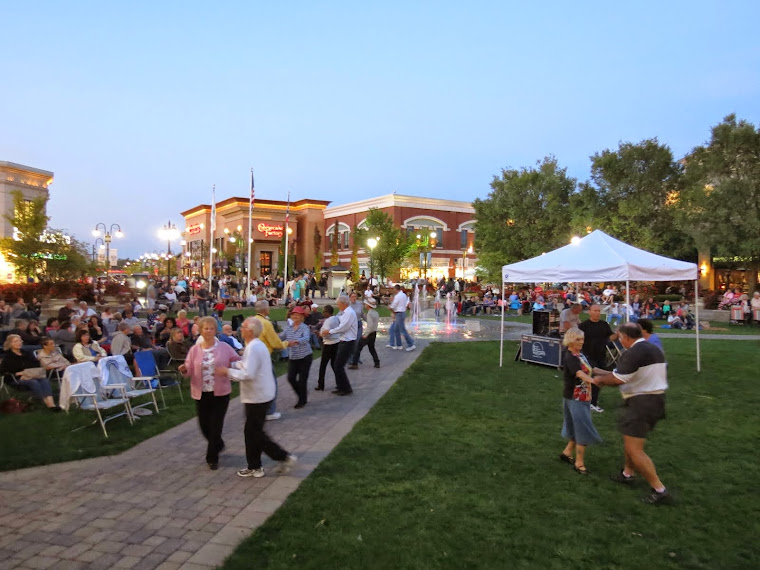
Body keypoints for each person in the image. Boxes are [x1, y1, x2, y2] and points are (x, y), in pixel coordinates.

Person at [588, 323, 672, 505]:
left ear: (626, 337)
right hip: (655, 400)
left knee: (635, 450)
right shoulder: (651, 348)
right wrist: (597, 371)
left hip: (641, 404)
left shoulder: (633, 352)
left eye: (619, 337)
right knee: (629, 440)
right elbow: (625, 373)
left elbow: (618, 379)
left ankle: (659, 489)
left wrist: (598, 380)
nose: (619, 340)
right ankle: (627, 473)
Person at [218, 317, 296, 478]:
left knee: (255, 433)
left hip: (258, 396)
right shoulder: (255, 345)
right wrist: (232, 364)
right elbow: (247, 365)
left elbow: (248, 373)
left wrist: (227, 372)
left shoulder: (254, 347)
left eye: (243, 326)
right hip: (259, 394)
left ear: (250, 331)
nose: (240, 329)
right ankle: (255, 466)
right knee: (252, 432)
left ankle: (283, 457)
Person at [178, 316, 241, 470]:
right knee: (203, 425)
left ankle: (212, 457)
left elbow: (237, 360)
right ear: (200, 330)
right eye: (205, 328)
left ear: (216, 330)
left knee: (215, 426)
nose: (208, 331)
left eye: (211, 328)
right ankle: (218, 444)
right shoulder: (194, 349)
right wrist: (184, 370)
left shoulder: (224, 347)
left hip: (220, 393)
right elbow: (189, 367)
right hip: (201, 393)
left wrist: (230, 370)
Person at [559, 328, 601, 474]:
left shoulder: (580, 355)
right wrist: (594, 381)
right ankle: (579, 462)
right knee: (582, 428)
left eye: (582, 339)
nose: (581, 342)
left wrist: (610, 374)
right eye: (578, 339)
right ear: (570, 340)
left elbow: (590, 369)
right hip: (574, 397)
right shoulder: (570, 356)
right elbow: (579, 373)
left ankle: (567, 452)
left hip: (583, 396)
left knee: (577, 426)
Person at [0, 334, 60, 410]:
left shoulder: (26, 353)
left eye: (20, 341)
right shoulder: (7, 357)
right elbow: (4, 371)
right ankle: (47, 404)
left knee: (44, 381)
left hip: (31, 375)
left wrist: (28, 371)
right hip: (16, 379)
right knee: (33, 382)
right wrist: (17, 373)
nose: (19, 343)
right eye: (16, 341)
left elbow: (36, 364)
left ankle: (52, 404)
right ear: (10, 344)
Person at [578, 305, 618, 414]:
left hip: (601, 356)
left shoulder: (604, 325)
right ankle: (592, 403)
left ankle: (592, 400)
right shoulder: (583, 326)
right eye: (595, 311)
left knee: (600, 379)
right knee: (592, 379)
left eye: (599, 311)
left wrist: (618, 334)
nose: (597, 313)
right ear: (590, 312)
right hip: (588, 356)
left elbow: (610, 338)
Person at [254, 300, 289, 420]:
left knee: (258, 384)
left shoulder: (251, 321)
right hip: (264, 356)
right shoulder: (266, 323)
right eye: (268, 307)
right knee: (270, 384)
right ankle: (269, 411)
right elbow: (275, 343)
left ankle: (258, 410)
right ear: (265, 310)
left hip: (253, 356)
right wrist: (286, 343)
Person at [321, 294, 356, 396]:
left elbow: (343, 327)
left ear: (343, 303)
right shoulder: (345, 313)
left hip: (348, 342)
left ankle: (346, 388)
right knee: (337, 365)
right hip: (343, 341)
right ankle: (341, 386)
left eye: (338, 304)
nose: (338, 306)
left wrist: (330, 331)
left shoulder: (349, 313)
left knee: (338, 366)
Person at [279, 306, 312, 409]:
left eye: (298, 315)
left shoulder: (304, 327)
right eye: (294, 315)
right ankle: (303, 394)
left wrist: (297, 341)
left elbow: (306, 338)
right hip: (293, 357)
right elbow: (280, 337)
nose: (295, 316)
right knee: (291, 378)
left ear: (302, 317)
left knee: (302, 380)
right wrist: (271, 336)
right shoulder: (288, 328)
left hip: (305, 356)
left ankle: (302, 400)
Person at [351, 296, 380, 369]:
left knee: (358, 348)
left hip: (369, 334)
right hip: (374, 333)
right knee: (372, 348)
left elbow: (369, 326)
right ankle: (377, 362)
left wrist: (365, 335)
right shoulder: (376, 313)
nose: (365, 305)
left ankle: (354, 364)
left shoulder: (370, 313)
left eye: (366, 304)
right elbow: (373, 324)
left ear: (368, 306)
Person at [316, 305, 340, 391]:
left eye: (323, 312)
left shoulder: (328, 322)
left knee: (323, 365)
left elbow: (326, 332)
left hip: (328, 344)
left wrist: (319, 334)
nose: (322, 313)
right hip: (336, 342)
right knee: (334, 364)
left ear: (327, 312)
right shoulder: (336, 318)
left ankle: (321, 384)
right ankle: (339, 383)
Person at [389, 284, 415, 351]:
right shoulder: (404, 295)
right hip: (402, 312)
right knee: (396, 329)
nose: (393, 290)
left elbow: (394, 304)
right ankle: (399, 345)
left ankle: (411, 344)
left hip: (399, 313)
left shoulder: (398, 296)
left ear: (396, 289)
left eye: (394, 289)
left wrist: (390, 307)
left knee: (402, 330)